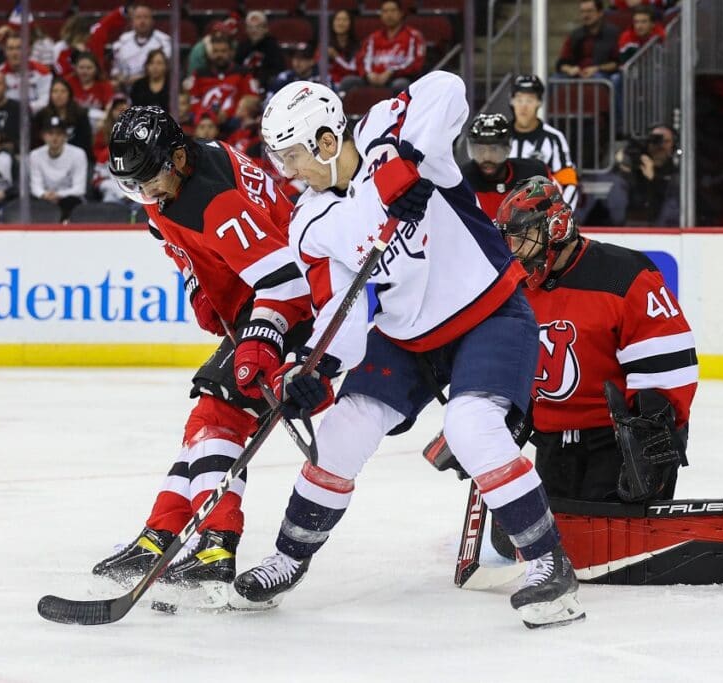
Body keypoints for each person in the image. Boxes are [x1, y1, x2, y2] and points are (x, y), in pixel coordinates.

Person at [238, 72, 586, 630]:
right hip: (407, 336)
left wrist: (404, 158)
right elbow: (342, 310)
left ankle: (549, 564)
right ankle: (288, 557)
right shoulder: (309, 221)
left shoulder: (384, 129)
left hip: (488, 312)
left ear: (329, 140)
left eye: (294, 156)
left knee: (472, 426)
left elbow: (448, 87)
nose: (289, 172)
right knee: (344, 428)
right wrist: (317, 369)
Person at [484, 176, 723, 587]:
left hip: (614, 446)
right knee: (537, 547)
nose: (514, 251)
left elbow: (669, 365)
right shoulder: (517, 287)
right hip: (553, 444)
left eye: (522, 239)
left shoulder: (624, 274)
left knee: (608, 563)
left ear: (556, 229)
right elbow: (509, 359)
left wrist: (652, 446)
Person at [93, 105, 312, 610]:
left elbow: (287, 279)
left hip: (293, 311)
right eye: (136, 187)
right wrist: (200, 286)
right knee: (205, 418)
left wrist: (260, 336)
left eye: (151, 182)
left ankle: (215, 545)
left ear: (176, 157)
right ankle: (163, 532)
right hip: (263, 303)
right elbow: (177, 241)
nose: (148, 196)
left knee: (217, 416)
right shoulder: (183, 172)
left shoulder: (215, 201)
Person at [507, 75, 580, 210]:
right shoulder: (501, 136)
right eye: (519, 99)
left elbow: (569, 182)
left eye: (530, 100)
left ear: (539, 102)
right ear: (512, 101)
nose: (524, 105)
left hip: (541, 217)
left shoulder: (554, 138)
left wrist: (559, 214)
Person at [460, 112, 551, 219]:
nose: (487, 157)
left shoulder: (535, 173)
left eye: (494, 149)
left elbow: (558, 214)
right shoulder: (460, 180)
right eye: (480, 150)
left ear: (507, 148)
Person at [605, 124, 679, 226]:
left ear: (673, 146)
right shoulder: (636, 165)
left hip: (662, 229)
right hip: (630, 227)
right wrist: (623, 169)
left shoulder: (677, 174)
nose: (660, 146)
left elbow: (669, 210)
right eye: (655, 140)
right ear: (648, 143)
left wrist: (653, 179)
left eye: (665, 141)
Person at [352, 0, 426, 92]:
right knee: (349, 82)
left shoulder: (413, 36)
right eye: (385, 11)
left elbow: (416, 63)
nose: (389, 15)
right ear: (381, 15)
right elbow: (361, 61)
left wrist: (391, 72)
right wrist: (368, 74)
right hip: (372, 78)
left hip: (399, 78)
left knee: (400, 84)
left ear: (401, 13)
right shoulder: (372, 38)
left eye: (393, 10)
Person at [188, 34, 259, 130]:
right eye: (215, 51)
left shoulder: (243, 73)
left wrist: (228, 113)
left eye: (223, 51)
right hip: (205, 121)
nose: (219, 55)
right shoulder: (200, 74)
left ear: (231, 52)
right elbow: (193, 101)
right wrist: (209, 115)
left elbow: (252, 98)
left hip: (234, 122)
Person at [28, 115, 87, 221]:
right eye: (50, 134)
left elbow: (79, 188)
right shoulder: (35, 155)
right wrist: (44, 194)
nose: (54, 138)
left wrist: (58, 195)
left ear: (65, 136)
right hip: (44, 200)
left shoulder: (78, 154)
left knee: (73, 202)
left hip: (69, 200)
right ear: (44, 136)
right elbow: (35, 186)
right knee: (31, 202)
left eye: (59, 134)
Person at [555, 0, 620, 81]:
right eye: (582, 12)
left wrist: (597, 68)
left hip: (601, 74)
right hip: (577, 74)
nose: (585, 15)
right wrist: (570, 69)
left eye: (589, 11)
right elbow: (561, 63)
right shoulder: (575, 35)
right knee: (555, 78)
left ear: (600, 13)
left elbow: (617, 63)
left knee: (598, 78)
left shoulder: (612, 34)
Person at [110, 2, 172, 88]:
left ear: (152, 21)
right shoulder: (122, 41)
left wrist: (139, 79)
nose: (142, 21)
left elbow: (165, 69)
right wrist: (122, 78)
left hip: (153, 88)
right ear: (132, 21)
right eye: (138, 17)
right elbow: (115, 70)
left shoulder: (164, 41)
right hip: (126, 88)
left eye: (146, 17)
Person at [33, 76, 93, 160]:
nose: (59, 95)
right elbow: (36, 141)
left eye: (63, 91)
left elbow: (85, 141)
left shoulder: (80, 114)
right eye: (55, 91)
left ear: (69, 94)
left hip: (75, 157)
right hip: (47, 157)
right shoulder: (42, 115)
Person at [0, 34, 53, 114]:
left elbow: (45, 100)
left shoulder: (42, 72)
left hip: (34, 115)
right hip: (6, 115)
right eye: (10, 49)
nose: (14, 53)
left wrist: (23, 109)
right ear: (5, 52)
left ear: (28, 50)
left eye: (19, 48)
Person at [235, 11, 285, 92]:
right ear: (246, 29)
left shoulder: (272, 46)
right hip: (244, 85)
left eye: (258, 27)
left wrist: (261, 81)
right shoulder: (242, 46)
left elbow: (277, 70)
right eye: (250, 27)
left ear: (266, 29)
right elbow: (236, 67)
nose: (254, 31)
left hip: (266, 87)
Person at [65, 52, 114, 129]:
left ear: (96, 69)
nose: (85, 71)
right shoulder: (68, 82)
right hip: (71, 121)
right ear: (75, 68)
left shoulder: (104, 85)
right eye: (81, 67)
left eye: (89, 68)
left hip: (97, 123)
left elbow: (109, 107)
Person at [316, 9, 360, 92]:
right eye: (338, 20)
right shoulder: (324, 44)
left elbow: (353, 71)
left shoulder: (356, 46)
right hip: (328, 84)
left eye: (344, 20)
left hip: (347, 86)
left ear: (351, 23)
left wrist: (336, 57)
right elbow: (318, 67)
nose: (341, 23)